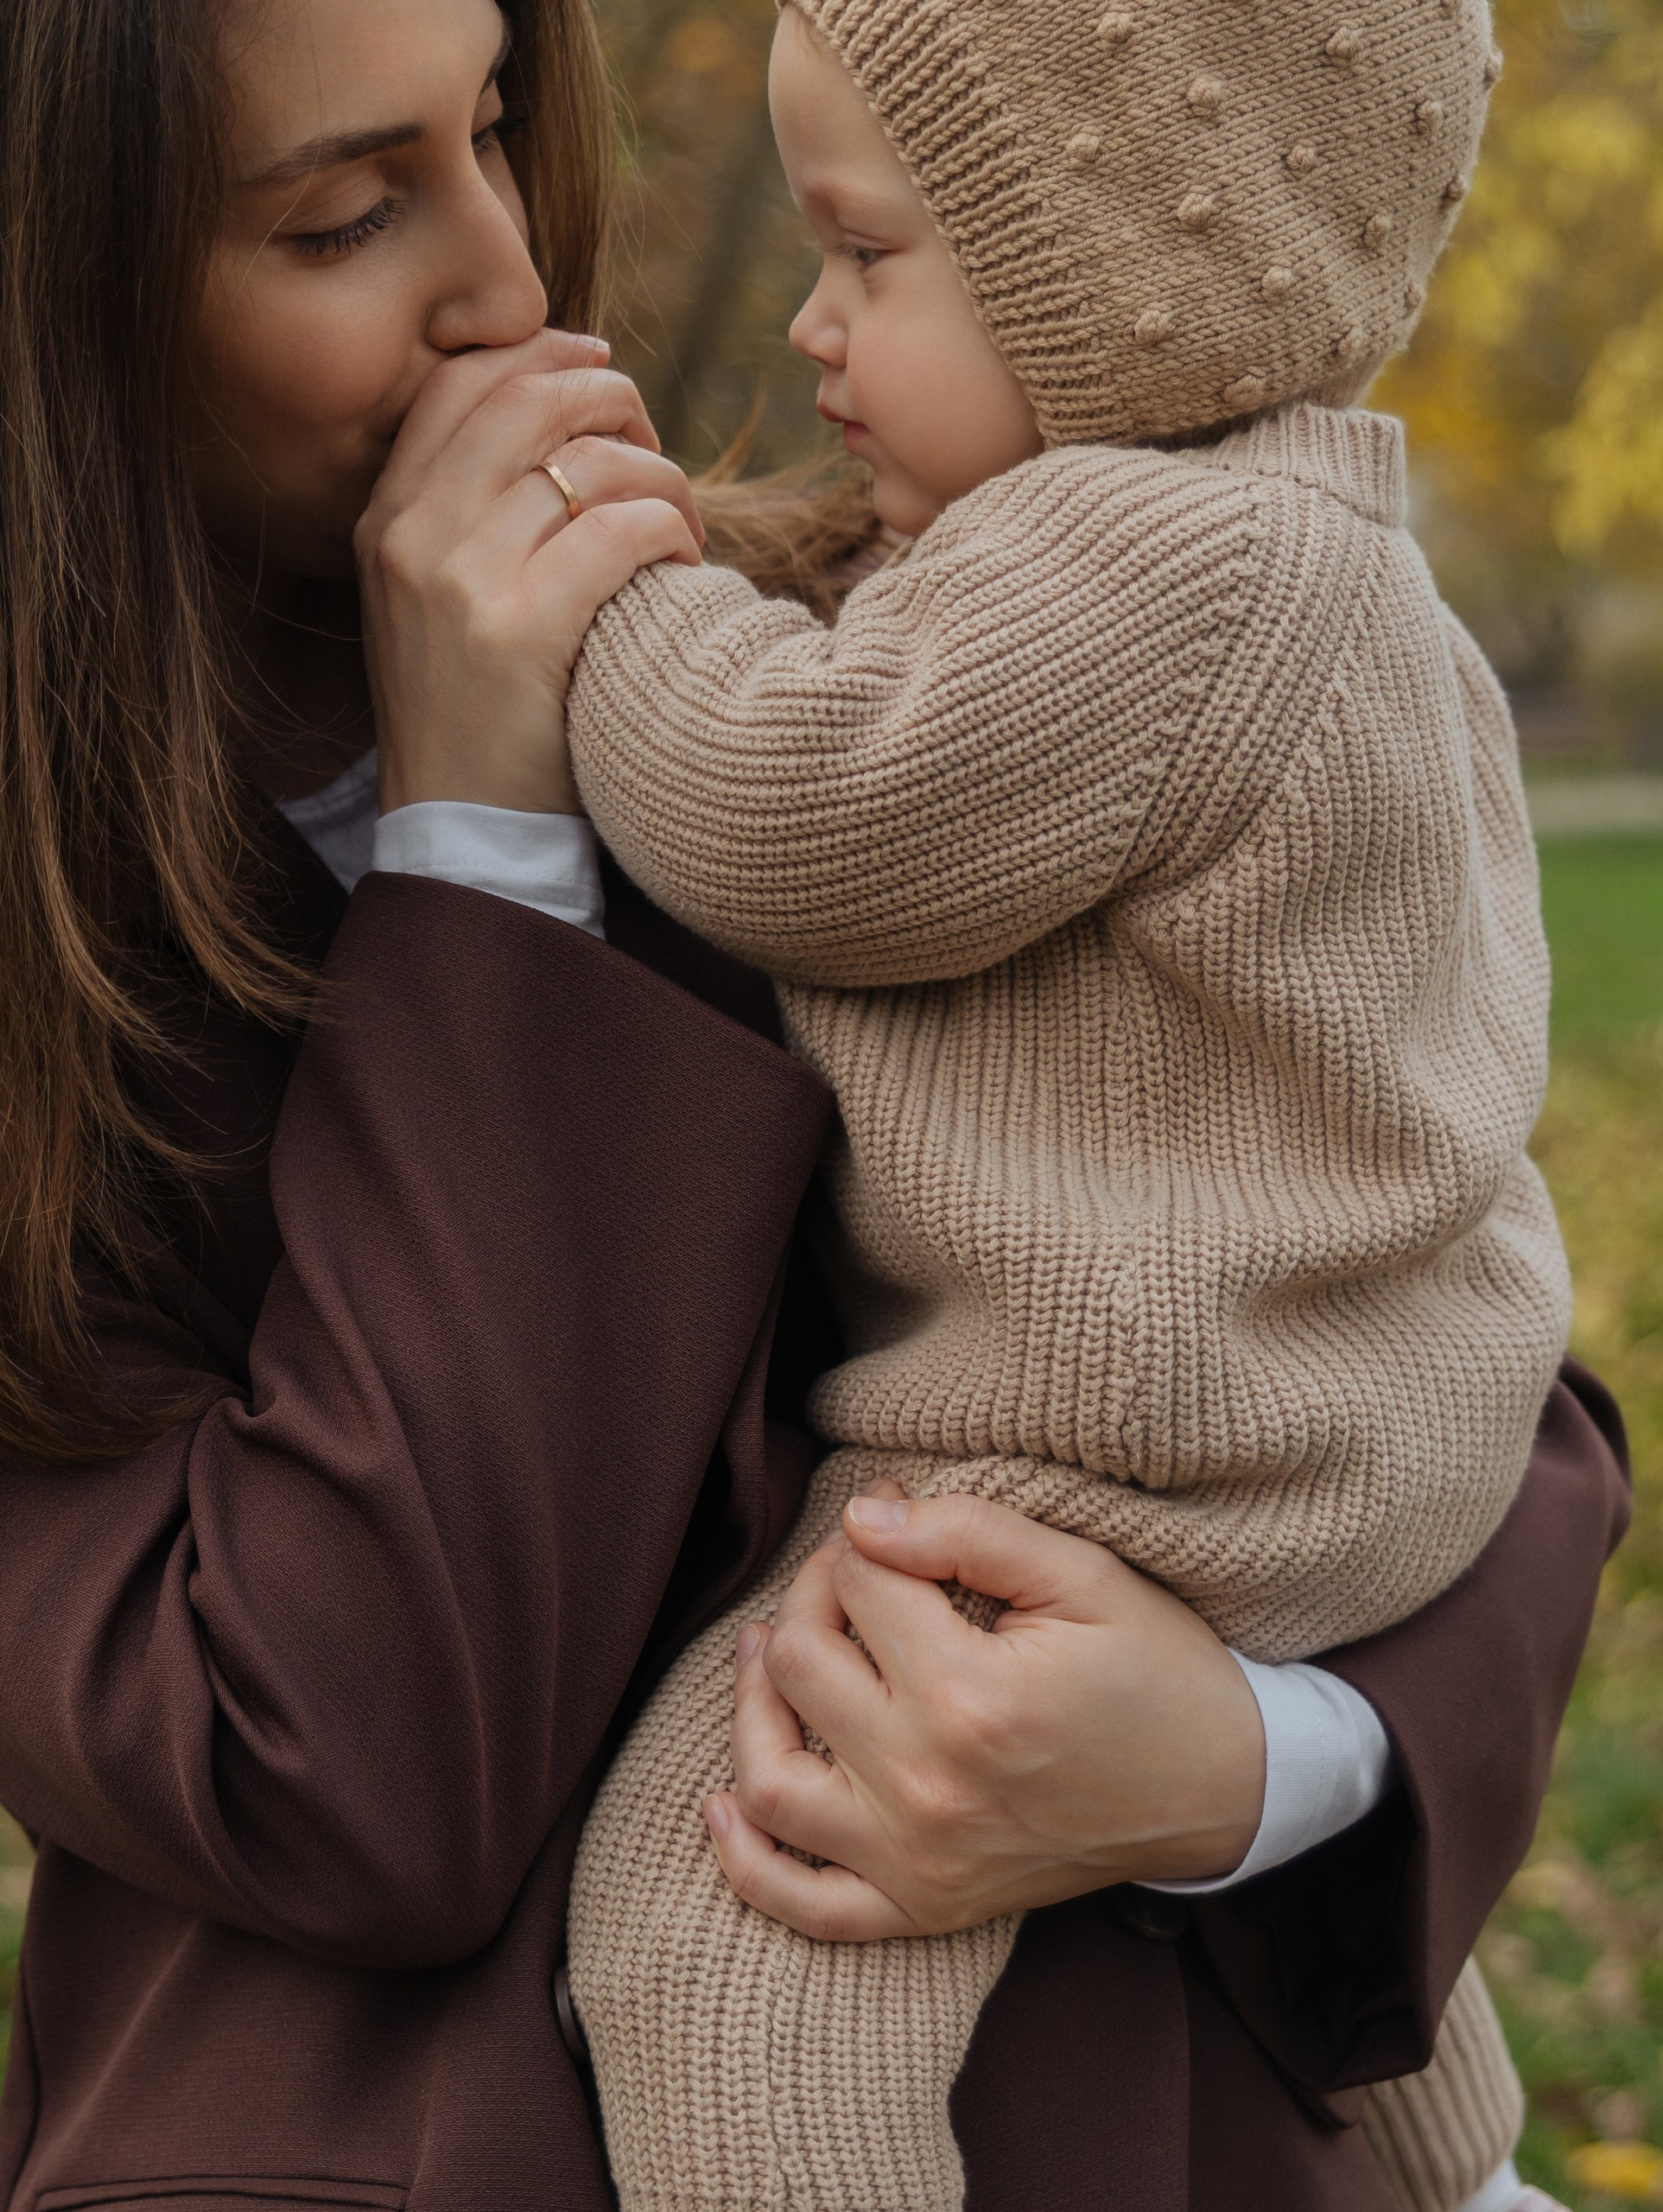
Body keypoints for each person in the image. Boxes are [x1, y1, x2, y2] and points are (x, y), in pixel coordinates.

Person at [0, 2, 1627, 2210]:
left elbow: (1410, 1343)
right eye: (343, 212)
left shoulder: (842, 635)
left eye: (490, 124)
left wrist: (1245, 1759)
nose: (508, 282)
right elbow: (345, 1761)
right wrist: (475, 856)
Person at [555, 2, 1577, 2208]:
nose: (816, 334)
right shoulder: (1340, 561)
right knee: (1254, 1882)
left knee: (718, 1917)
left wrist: (607, 589)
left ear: (1121, 293)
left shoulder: (1145, 557)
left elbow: (787, 804)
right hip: (1373, 1432)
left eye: (869, 255)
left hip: (1121, 1442)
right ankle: (1460, 2174)